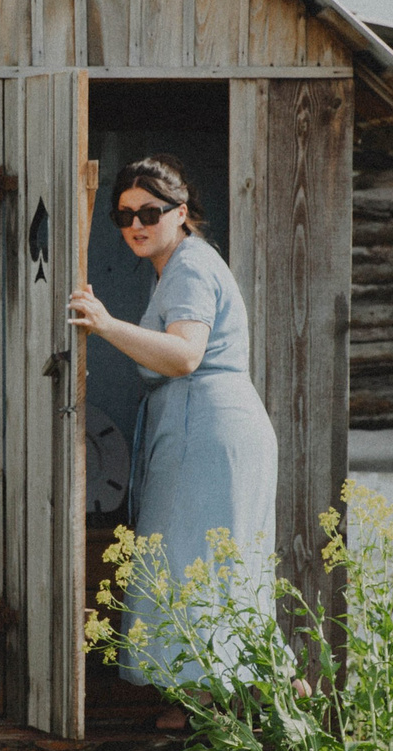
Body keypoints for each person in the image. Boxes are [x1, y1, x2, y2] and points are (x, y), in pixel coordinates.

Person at [66, 154, 277, 687]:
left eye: (150, 212)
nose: (136, 225)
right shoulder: (178, 267)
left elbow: (185, 355)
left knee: (192, 561)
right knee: (208, 563)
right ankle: (219, 695)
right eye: (124, 215)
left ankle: (202, 699)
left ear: (180, 212)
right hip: (202, 425)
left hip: (207, 427)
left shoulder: (189, 265)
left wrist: (105, 324)